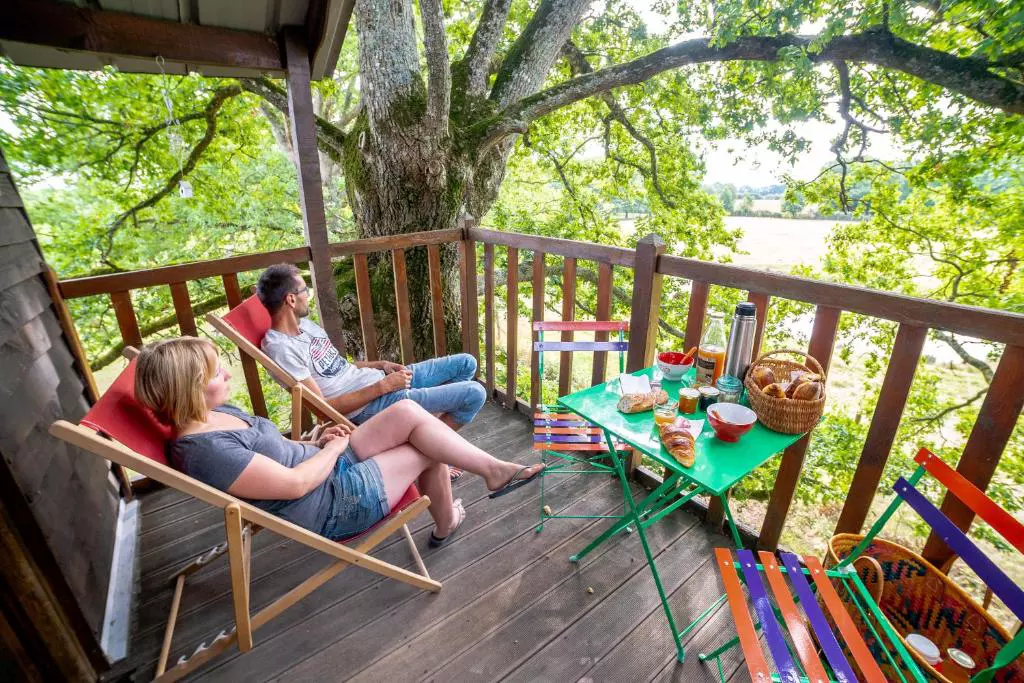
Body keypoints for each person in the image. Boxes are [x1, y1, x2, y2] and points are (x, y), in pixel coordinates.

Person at [133, 337, 544, 545]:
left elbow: (277, 454)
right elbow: (294, 485)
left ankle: (491, 473)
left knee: (407, 412)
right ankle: (453, 514)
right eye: (214, 373)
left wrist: (316, 441)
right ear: (188, 388)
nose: (225, 374)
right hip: (334, 502)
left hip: (326, 465)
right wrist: (330, 450)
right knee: (425, 445)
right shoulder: (205, 451)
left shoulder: (217, 413)